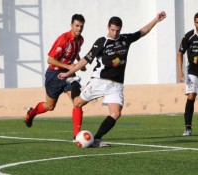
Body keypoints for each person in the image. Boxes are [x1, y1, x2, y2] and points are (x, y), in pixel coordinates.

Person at [58, 11, 167, 147]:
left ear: (121, 29)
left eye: (117, 30)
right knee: (76, 103)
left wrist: (156, 20)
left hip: (116, 85)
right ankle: (74, 82)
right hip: (99, 81)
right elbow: (86, 60)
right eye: (112, 30)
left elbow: (142, 32)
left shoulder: (125, 39)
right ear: (108, 27)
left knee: (116, 113)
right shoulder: (101, 42)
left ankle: (96, 139)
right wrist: (69, 73)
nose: (115, 33)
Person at [24, 14, 86, 140]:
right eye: (77, 26)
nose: (79, 28)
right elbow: (50, 59)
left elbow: (76, 51)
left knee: (77, 101)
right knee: (49, 106)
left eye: (81, 26)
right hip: (54, 75)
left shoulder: (80, 39)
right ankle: (32, 113)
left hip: (69, 74)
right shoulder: (63, 39)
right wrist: (68, 66)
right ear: (71, 25)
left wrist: (80, 64)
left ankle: (76, 135)